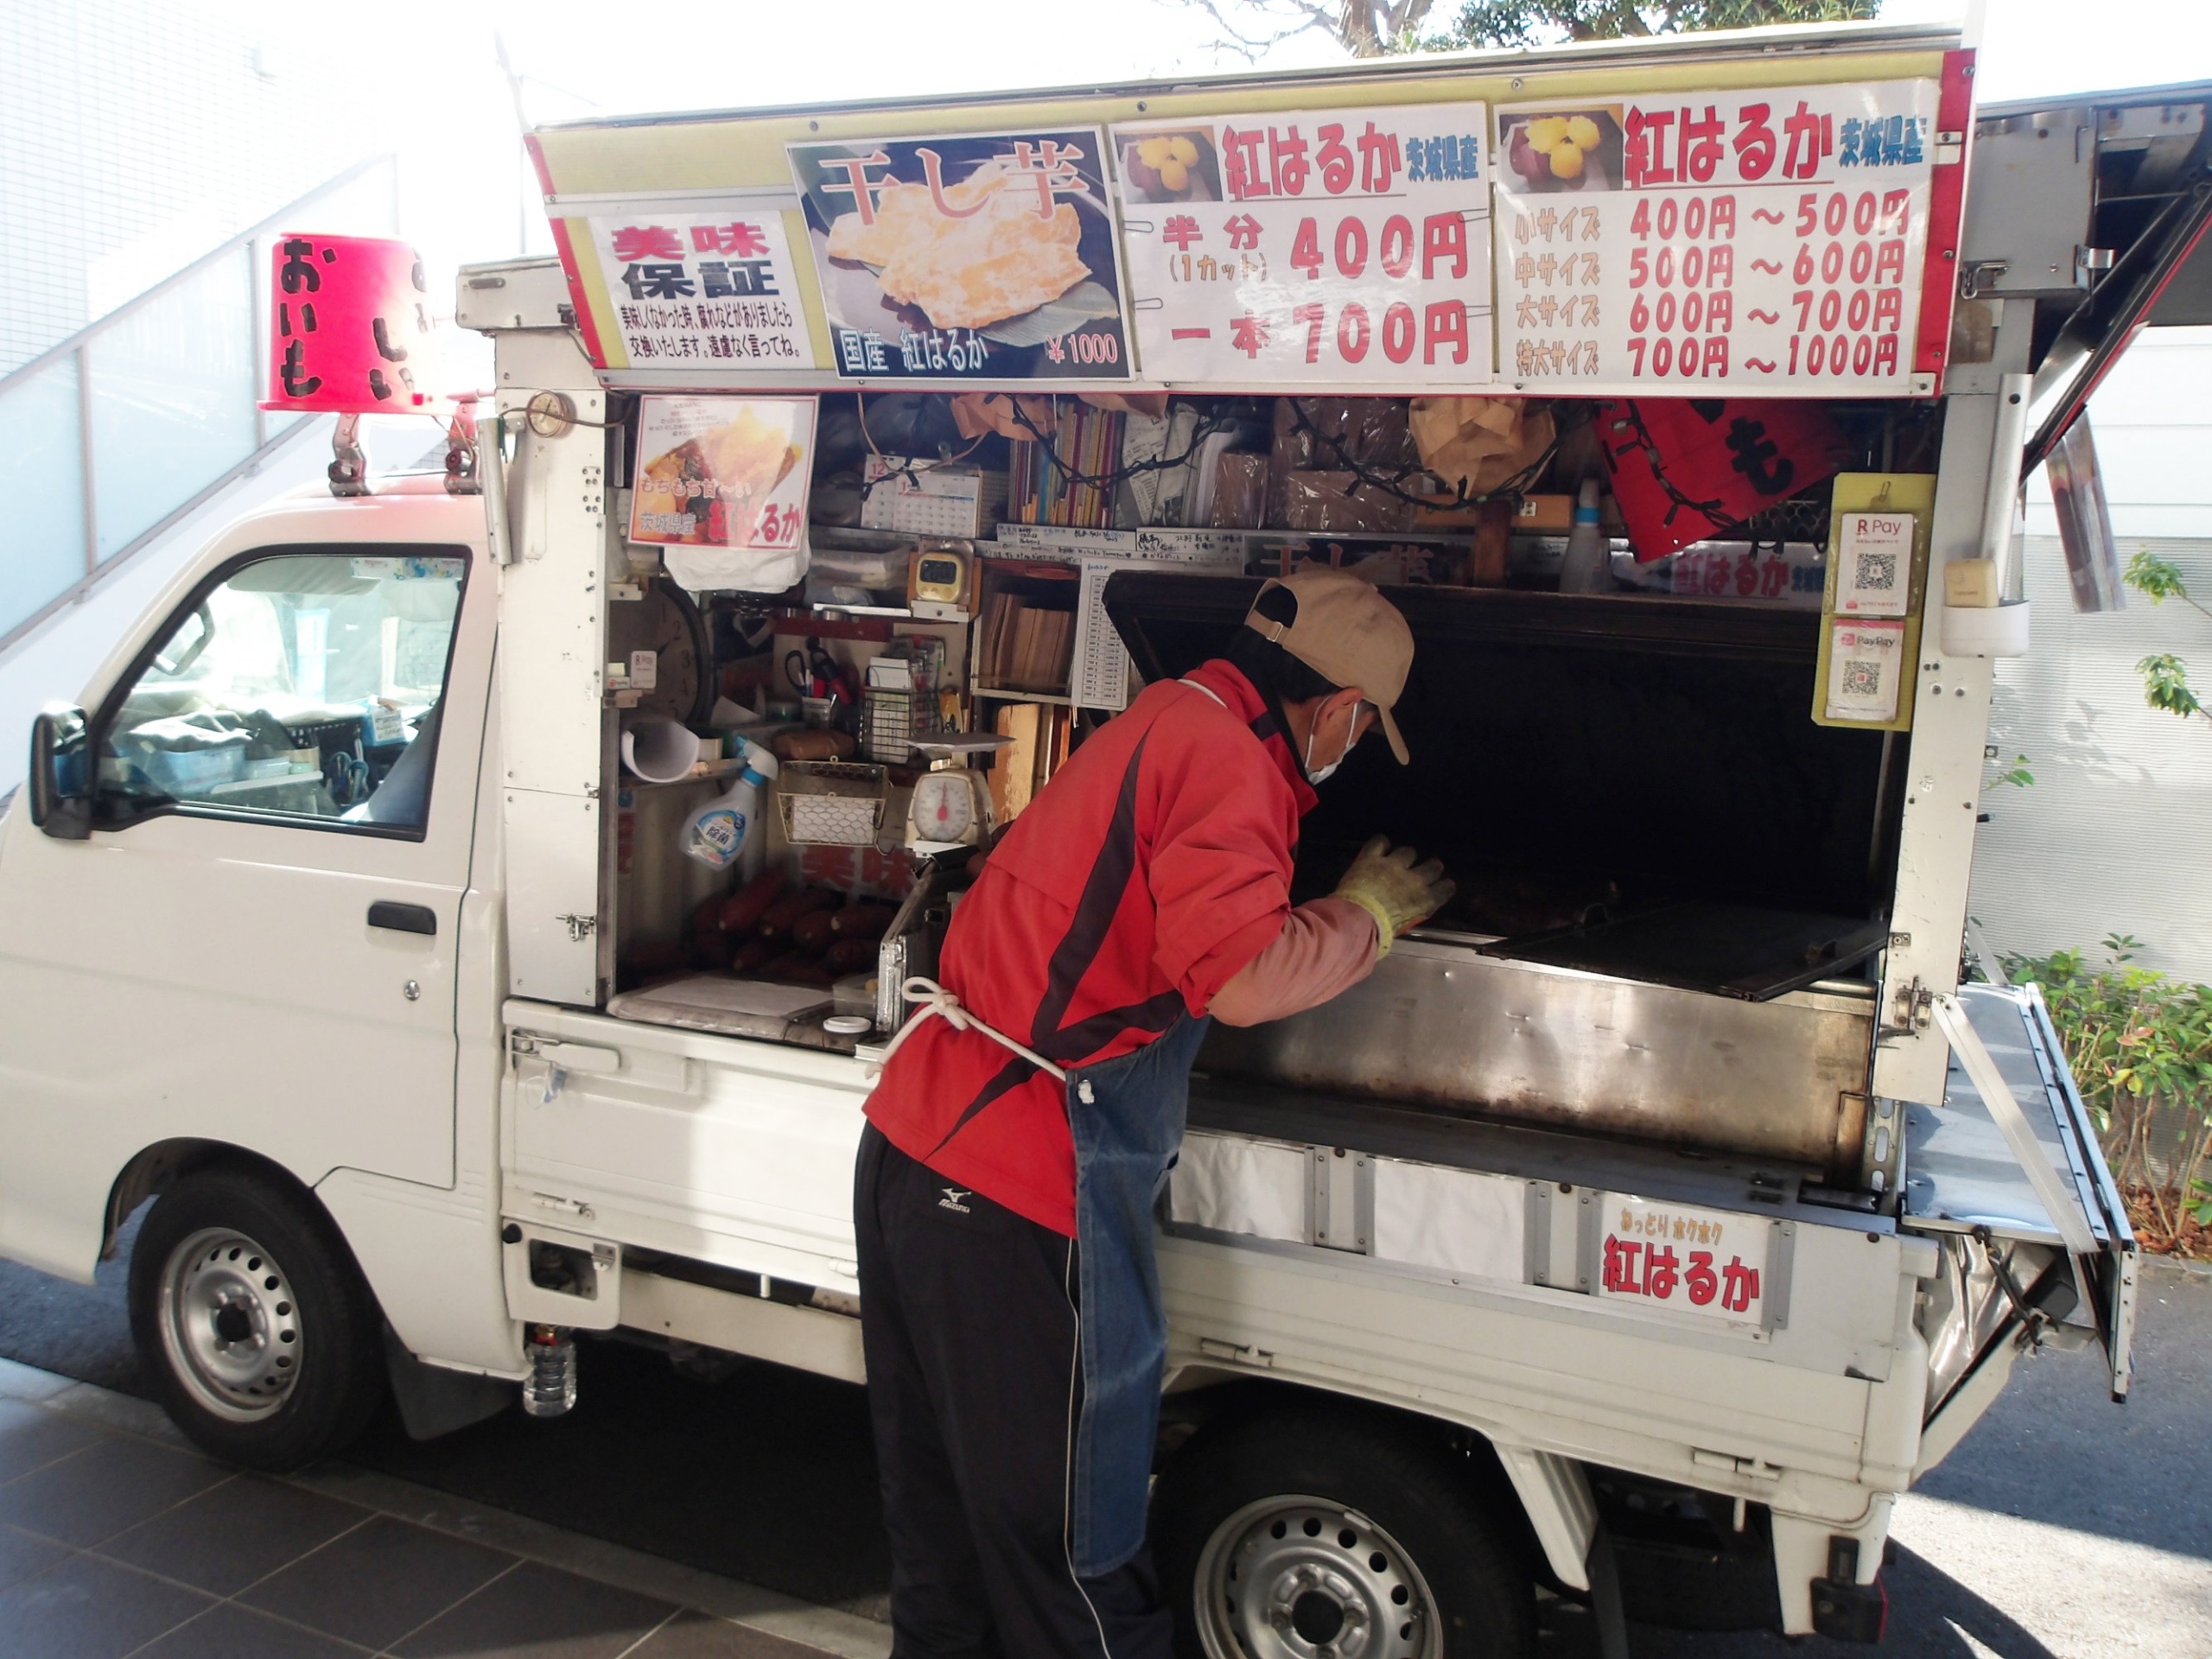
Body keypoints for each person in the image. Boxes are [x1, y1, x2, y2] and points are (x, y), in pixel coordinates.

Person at [855, 569, 1453, 1659]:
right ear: (1341, 711)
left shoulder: (1171, 712)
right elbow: (1242, 977)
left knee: (944, 1541)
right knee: (1071, 1557)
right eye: (1365, 731)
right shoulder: (1230, 764)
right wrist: (1363, 917)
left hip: (914, 1142)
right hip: (1015, 1181)